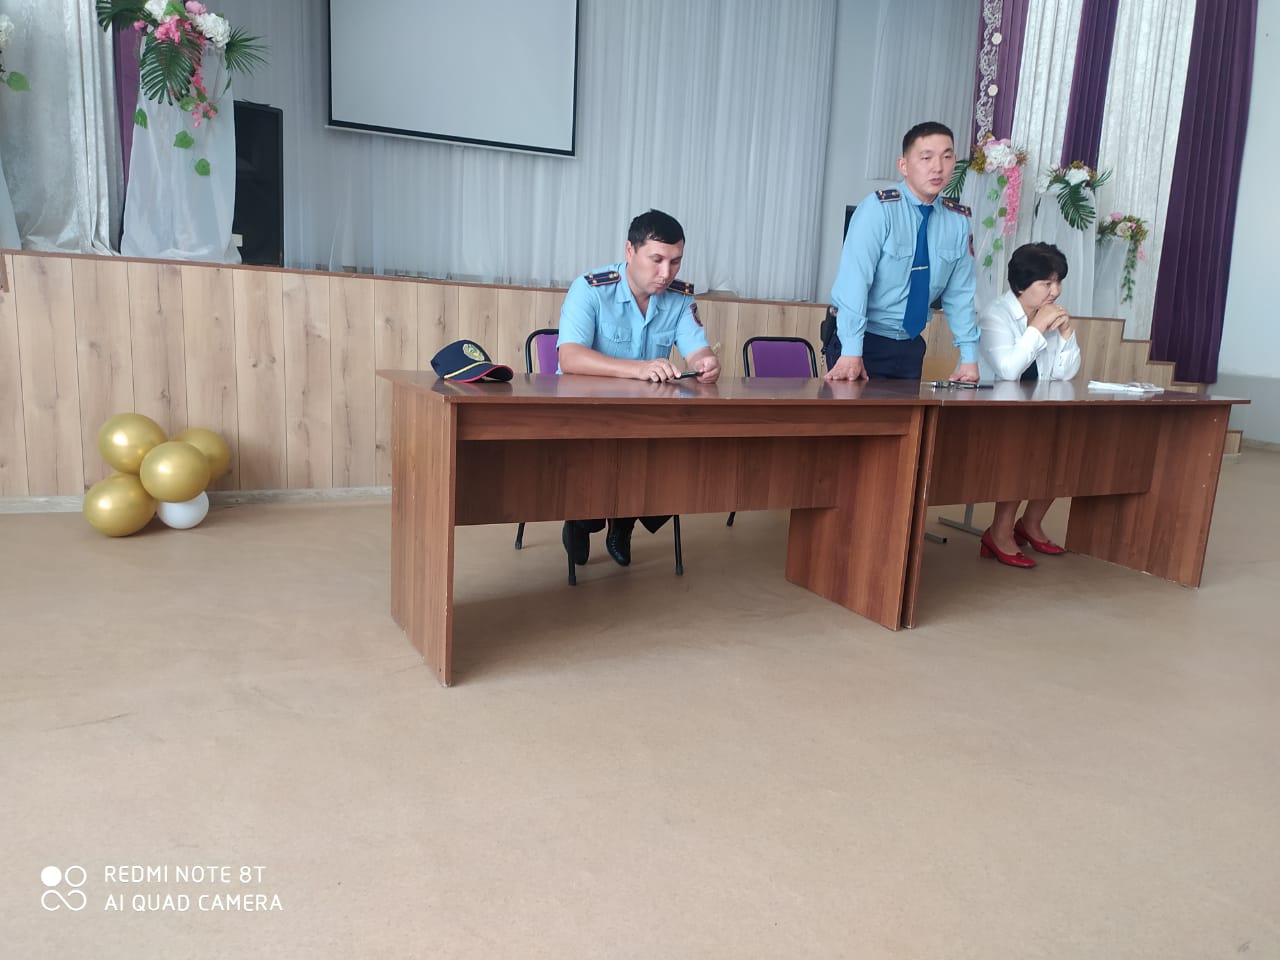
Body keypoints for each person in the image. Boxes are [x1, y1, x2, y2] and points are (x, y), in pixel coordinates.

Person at [556, 209, 721, 569]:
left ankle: (624, 523)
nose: (666, 273)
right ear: (630, 251)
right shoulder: (591, 289)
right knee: (595, 464)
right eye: (657, 259)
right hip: (588, 415)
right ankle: (581, 521)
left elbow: (697, 349)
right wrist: (638, 369)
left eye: (675, 261)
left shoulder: (679, 298)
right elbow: (569, 356)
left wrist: (706, 362)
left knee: (674, 457)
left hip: (645, 418)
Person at [824, 121, 979, 383]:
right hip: (863, 341)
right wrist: (851, 350)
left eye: (947, 157)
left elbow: (960, 294)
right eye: (926, 157)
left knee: (906, 413)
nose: (937, 167)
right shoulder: (879, 209)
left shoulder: (958, 221)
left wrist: (969, 357)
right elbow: (855, 282)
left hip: (911, 345)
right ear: (903, 165)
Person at [976, 241, 1082, 568]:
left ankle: (1031, 523)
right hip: (991, 411)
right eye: (1047, 283)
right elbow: (1008, 371)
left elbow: (1065, 374)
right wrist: (1036, 329)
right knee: (1025, 452)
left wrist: (1065, 333)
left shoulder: (1049, 315)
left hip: (1035, 409)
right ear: (1022, 285)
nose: (1056, 291)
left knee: (1062, 451)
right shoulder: (995, 315)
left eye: (1058, 283)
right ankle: (1000, 532)